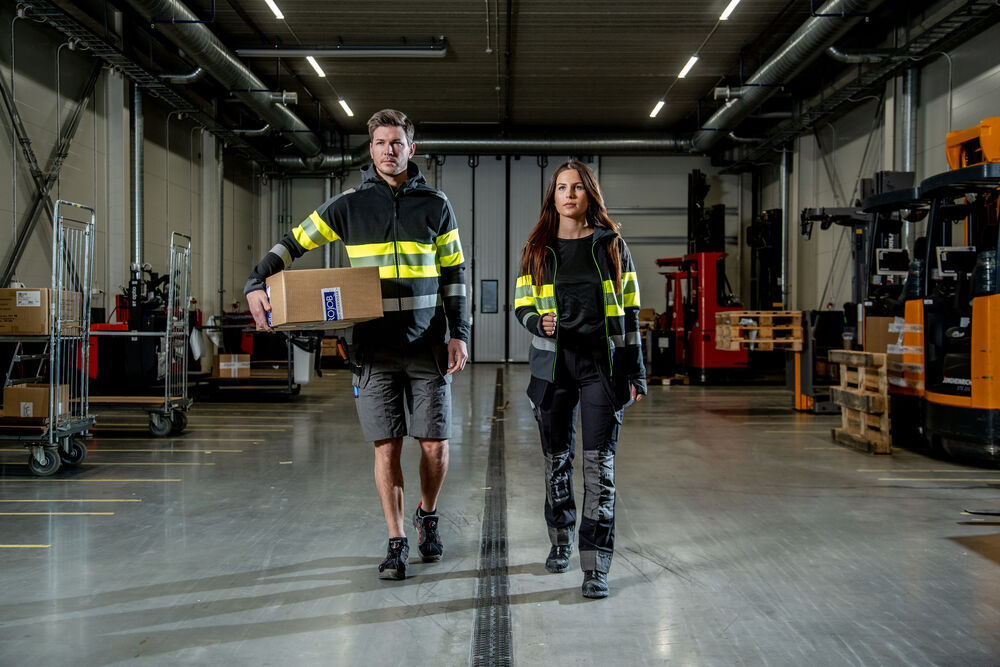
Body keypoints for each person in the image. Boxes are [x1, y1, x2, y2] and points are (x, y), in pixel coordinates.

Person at [245, 109, 469, 581]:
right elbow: (293, 242)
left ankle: (427, 516)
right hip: (373, 347)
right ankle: (396, 540)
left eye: (397, 142)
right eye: (381, 142)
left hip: (428, 345)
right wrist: (255, 281)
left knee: (435, 445)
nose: (389, 150)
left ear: (412, 149)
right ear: (371, 149)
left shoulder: (436, 204)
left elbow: (454, 274)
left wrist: (459, 334)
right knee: (387, 447)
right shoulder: (347, 205)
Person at [514, 160, 646, 599]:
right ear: (552, 196)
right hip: (553, 368)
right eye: (561, 187)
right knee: (557, 462)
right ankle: (560, 540)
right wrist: (538, 322)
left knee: (598, 467)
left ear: (590, 194)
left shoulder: (612, 246)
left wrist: (635, 371)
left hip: (601, 367)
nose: (569, 195)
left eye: (577, 187)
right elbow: (521, 304)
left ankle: (595, 564)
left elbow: (630, 310)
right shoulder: (537, 249)